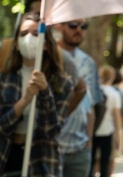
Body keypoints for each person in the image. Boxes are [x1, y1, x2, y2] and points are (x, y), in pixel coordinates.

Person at [0, 12, 73, 176]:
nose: (28, 39)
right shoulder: (4, 80)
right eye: (23, 34)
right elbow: (2, 126)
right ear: (16, 44)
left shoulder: (62, 84)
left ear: (46, 44)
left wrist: (45, 93)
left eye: (35, 34)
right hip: (6, 158)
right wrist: (25, 100)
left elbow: (50, 132)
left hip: (42, 163)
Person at [53, 19, 105, 177]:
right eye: (73, 25)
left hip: (79, 150)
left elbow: (92, 105)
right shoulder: (48, 56)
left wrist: (89, 143)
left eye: (83, 26)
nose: (79, 30)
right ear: (59, 26)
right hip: (50, 147)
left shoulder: (88, 62)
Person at [92, 66, 122, 177]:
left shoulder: (94, 91)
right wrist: (118, 136)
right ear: (112, 77)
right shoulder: (114, 94)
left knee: (91, 161)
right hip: (107, 130)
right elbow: (117, 116)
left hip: (93, 130)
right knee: (105, 162)